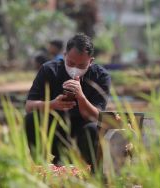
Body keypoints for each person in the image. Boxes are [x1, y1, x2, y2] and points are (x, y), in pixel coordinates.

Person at [25, 33, 111, 167]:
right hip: (55, 131)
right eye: (71, 63)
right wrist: (52, 104)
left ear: (91, 61)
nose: (75, 69)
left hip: (82, 134)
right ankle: (40, 165)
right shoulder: (49, 70)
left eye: (82, 65)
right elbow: (29, 106)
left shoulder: (100, 76)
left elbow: (97, 116)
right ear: (64, 55)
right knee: (31, 119)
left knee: (94, 128)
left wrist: (81, 96)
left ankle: (91, 169)